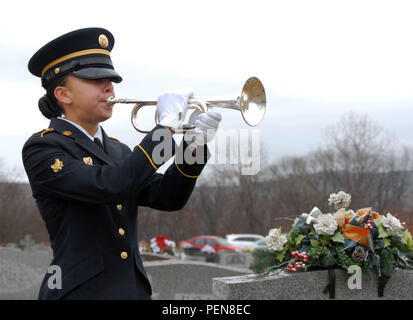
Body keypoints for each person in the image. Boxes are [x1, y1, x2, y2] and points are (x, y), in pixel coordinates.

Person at [22, 27, 222, 300]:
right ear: (63, 94)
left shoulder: (117, 149)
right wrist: (164, 129)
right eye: (94, 79)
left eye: (110, 79)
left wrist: (194, 145)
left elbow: (167, 197)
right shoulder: (43, 147)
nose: (109, 87)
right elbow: (109, 185)